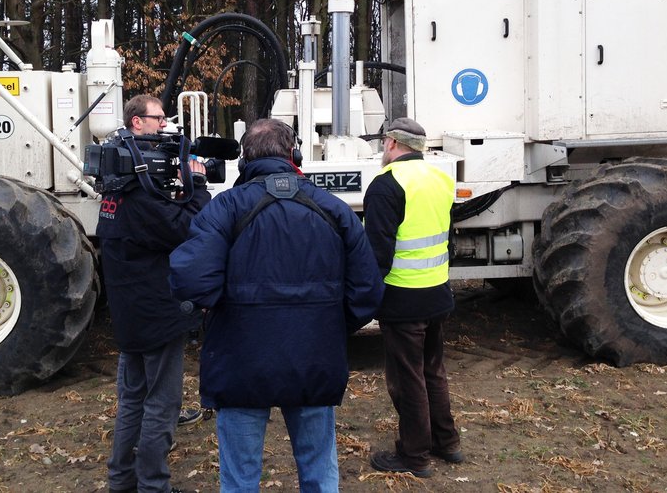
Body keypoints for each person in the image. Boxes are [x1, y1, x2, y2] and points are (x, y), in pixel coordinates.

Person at [170, 118, 384, 492]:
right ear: (293, 154)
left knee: (240, 480)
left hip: (240, 363)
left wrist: (217, 310)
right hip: (314, 361)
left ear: (244, 160)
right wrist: (329, 325)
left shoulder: (225, 209)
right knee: (319, 473)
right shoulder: (332, 208)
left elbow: (190, 279)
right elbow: (367, 290)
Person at [98, 94, 210, 493]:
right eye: (157, 119)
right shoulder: (139, 190)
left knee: (132, 399)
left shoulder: (118, 183)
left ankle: (122, 481)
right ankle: (153, 486)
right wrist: (197, 186)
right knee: (162, 403)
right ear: (135, 123)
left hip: (131, 311)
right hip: (155, 313)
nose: (164, 125)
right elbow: (187, 228)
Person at [364, 117, 464, 478]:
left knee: (408, 379)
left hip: (403, 299)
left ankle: (414, 455)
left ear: (391, 144)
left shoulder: (385, 185)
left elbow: (378, 254)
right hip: (437, 293)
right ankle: (447, 442)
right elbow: (447, 240)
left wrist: (363, 300)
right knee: (432, 371)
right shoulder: (440, 179)